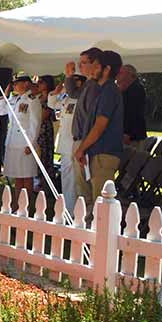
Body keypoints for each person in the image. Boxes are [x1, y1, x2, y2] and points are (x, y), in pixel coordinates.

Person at [74, 50, 125, 210]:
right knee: (88, 201)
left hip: (103, 154)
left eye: (96, 67)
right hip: (94, 152)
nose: (93, 70)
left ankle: (97, 233)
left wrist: (81, 149)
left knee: (100, 204)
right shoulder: (102, 90)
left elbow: (100, 125)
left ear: (106, 69)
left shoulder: (110, 90)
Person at [64, 47, 103, 205]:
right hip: (79, 140)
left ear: (96, 64)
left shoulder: (95, 86)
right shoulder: (88, 84)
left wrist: (84, 146)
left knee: (87, 189)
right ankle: (85, 220)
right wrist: (69, 76)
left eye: (84, 63)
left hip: (86, 141)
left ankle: (89, 223)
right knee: (82, 188)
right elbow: (73, 93)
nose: (80, 66)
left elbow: (94, 120)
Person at [0, 73, 41, 207]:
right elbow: (0, 111)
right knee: (17, 176)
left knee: (27, 176)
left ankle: (26, 206)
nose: (14, 85)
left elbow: (35, 123)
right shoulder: (15, 99)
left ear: (26, 84)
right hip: (13, 142)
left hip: (25, 143)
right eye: (13, 83)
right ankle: (16, 205)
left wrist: (31, 144)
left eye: (16, 83)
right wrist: (6, 93)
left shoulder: (32, 100)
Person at [48, 74, 85, 216]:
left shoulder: (81, 99)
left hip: (74, 143)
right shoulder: (66, 98)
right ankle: (67, 209)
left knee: (75, 179)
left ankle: (74, 211)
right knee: (66, 177)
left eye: (71, 82)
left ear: (80, 84)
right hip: (65, 144)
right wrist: (56, 92)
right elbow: (52, 104)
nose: (66, 85)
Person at [117, 64, 148, 150]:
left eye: (121, 73)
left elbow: (135, 113)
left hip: (132, 137)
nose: (117, 75)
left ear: (130, 75)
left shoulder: (136, 89)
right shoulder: (125, 90)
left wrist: (128, 133)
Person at [35, 75, 57, 191]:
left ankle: (45, 184)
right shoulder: (38, 98)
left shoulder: (50, 98)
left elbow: (44, 115)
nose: (38, 84)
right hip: (37, 130)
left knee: (45, 155)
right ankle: (38, 180)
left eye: (41, 82)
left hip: (45, 130)